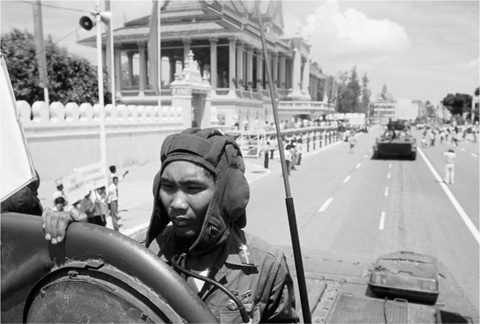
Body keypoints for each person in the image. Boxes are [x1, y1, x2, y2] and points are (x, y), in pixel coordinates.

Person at [42, 128, 298, 323]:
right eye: (167, 187)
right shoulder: (138, 253)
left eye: (192, 188)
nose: (176, 203)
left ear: (229, 196)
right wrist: (73, 237)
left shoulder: (264, 267)